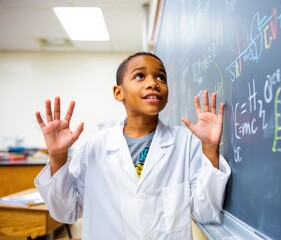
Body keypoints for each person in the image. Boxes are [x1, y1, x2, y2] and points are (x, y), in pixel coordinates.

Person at [34, 52, 231, 240]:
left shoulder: (186, 143)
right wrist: (58, 156)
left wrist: (210, 149)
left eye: (161, 77)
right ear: (118, 92)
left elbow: (205, 212)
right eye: (140, 76)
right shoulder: (94, 148)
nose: (153, 83)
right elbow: (66, 212)